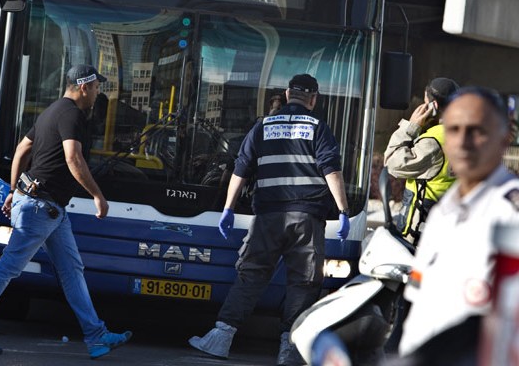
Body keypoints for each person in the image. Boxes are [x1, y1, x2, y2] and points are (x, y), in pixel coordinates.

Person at [0, 65, 131, 358]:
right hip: (41, 208)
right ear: (84, 86)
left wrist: (12, 190)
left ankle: (97, 337)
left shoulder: (52, 111)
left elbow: (23, 149)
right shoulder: (72, 114)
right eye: (97, 87)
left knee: (72, 270)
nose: (99, 93)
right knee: (8, 268)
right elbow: (74, 158)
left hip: (46, 207)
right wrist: (98, 195)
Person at [188, 74, 351, 366]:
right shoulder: (318, 127)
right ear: (313, 99)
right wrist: (343, 210)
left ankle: (220, 338)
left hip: (268, 217)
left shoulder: (263, 125)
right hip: (306, 218)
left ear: (288, 94)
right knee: (302, 282)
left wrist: (228, 207)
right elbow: (331, 171)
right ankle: (289, 349)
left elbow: (241, 168)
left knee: (251, 275)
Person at [394, 86, 519, 365]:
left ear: (503, 138)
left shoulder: (510, 213)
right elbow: (420, 308)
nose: (463, 141)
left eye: (476, 131)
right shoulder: (442, 214)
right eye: (454, 130)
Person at [384, 77, 459, 242]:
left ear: (434, 106)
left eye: (425, 102)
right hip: (450, 231)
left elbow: (392, 162)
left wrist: (411, 127)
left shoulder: (434, 141)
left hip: (421, 235)